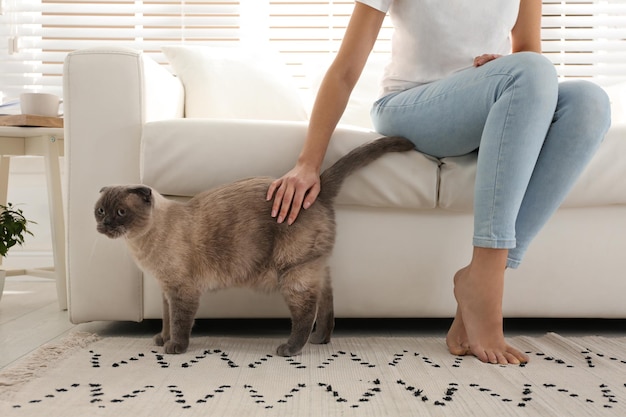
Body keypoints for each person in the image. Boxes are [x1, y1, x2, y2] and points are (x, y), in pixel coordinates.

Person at [265, 0, 611, 365]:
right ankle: (487, 287)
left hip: (488, 100)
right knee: (529, 71)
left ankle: (482, 278)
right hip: (410, 106)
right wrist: (307, 162)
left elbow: (528, 51)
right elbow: (346, 69)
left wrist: (505, 68)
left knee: (590, 104)